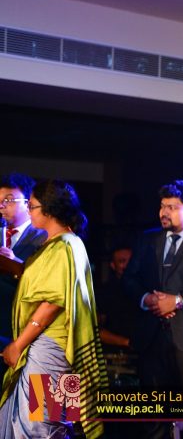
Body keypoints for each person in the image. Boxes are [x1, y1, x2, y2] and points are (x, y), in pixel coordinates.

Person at [0, 180, 106, 438]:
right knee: (48, 423)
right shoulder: (59, 244)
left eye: (32, 206)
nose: (29, 211)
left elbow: (52, 302)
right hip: (56, 349)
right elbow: (41, 282)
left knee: (41, 428)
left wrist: (18, 345)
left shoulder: (65, 245)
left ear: (48, 210)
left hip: (51, 349)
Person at [121, 180, 183, 439]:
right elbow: (129, 278)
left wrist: (177, 300)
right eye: (162, 206)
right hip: (152, 337)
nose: (164, 212)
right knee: (154, 414)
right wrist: (147, 299)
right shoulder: (147, 238)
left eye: (172, 207)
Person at [0, 173, 47, 380]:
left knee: (40, 396)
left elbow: (47, 284)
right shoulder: (2, 233)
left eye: (8, 200)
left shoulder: (45, 237)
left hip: (31, 335)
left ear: (29, 203)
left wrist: (14, 263)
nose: (2, 206)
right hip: (4, 331)